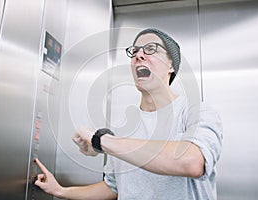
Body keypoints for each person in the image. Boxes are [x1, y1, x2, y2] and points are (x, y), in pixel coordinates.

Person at [34, 28, 223, 200]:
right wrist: (61, 191)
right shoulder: (124, 127)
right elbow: (113, 188)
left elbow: (192, 162)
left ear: (171, 65)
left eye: (151, 49)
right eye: (135, 51)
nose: (139, 55)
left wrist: (102, 141)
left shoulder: (196, 112)